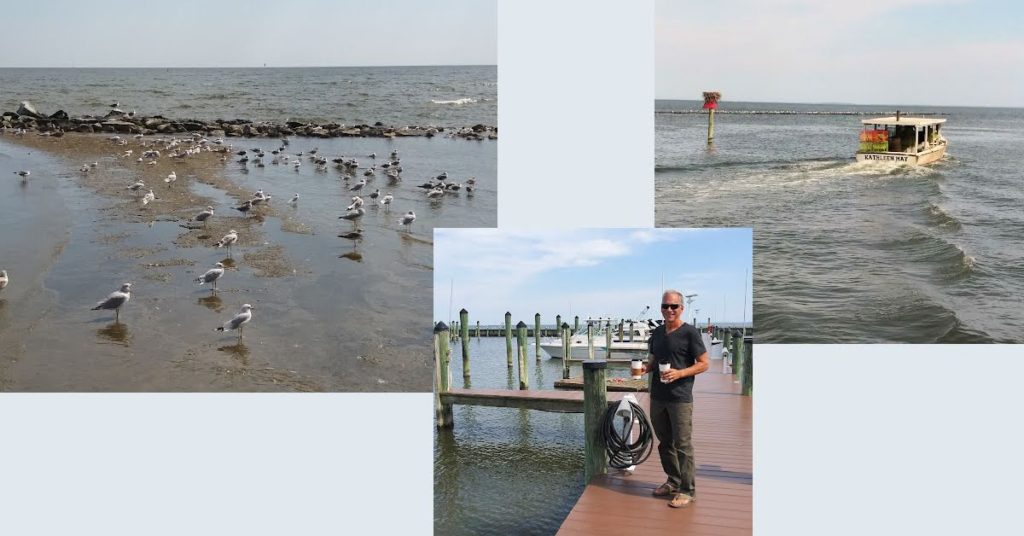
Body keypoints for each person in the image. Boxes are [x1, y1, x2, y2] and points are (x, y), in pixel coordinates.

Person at [640, 289, 709, 508]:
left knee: (683, 445)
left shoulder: (690, 333)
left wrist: (679, 373)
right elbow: (652, 359)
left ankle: (688, 491)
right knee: (664, 443)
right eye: (665, 306)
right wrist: (644, 368)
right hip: (658, 396)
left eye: (674, 306)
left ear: (681, 308)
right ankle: (673, 481)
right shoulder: (658, 332)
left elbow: (704, 363)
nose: (669, 310)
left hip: (680, 398)